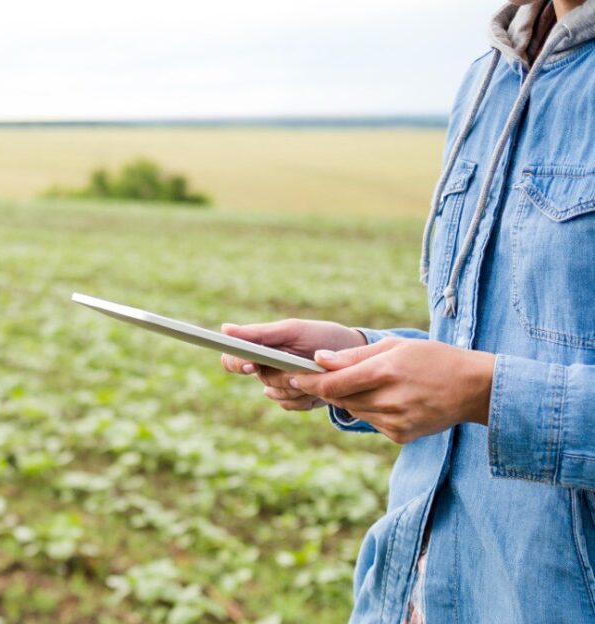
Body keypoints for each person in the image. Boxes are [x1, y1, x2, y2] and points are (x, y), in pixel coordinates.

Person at [219, 1, 595, 621]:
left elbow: (485, 380)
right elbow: (490, 344)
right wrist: (354, 351)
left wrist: (483, 392)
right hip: (416, 593)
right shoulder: (488, 77)